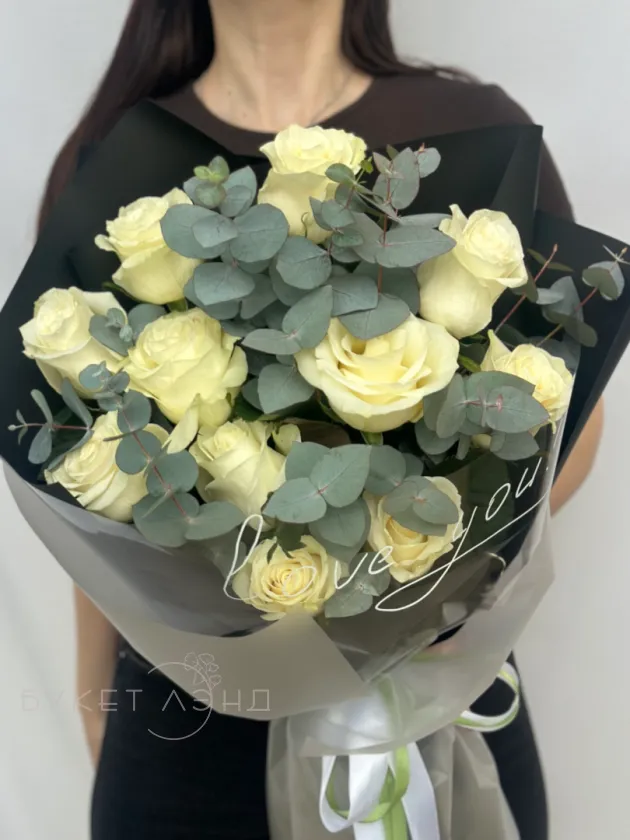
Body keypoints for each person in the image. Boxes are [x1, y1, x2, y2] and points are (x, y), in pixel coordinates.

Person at [39, 2, 604, 838]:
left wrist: (417, 587)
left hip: (432, 695)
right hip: (185, 722)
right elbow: (92, 481)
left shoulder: (472, 128)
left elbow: (570, 425)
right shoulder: (113, 157)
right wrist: (96, 694)